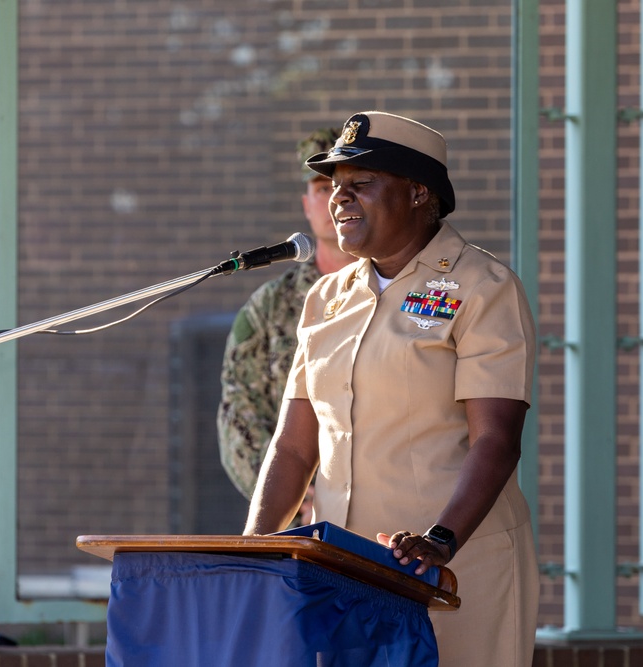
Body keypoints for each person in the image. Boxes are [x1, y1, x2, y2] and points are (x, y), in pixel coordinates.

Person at [243, 111, 539, 666]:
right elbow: (294, 446)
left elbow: (496, 439)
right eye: (334, 187)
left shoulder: (482, 288)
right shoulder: (325, 299)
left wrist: (440, 539)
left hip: (452, 572)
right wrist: (255, 544)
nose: (339, 199)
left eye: (361, 184)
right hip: (344, 577)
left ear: (419, 191)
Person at [217, 128, 355, 515]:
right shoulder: (270, 307)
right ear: (306, 204)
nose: (334, 199)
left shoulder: (400, 290)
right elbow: (238, 413)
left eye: (345, 185)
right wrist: (295, 499)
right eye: (321, 188)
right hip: (297, 518)